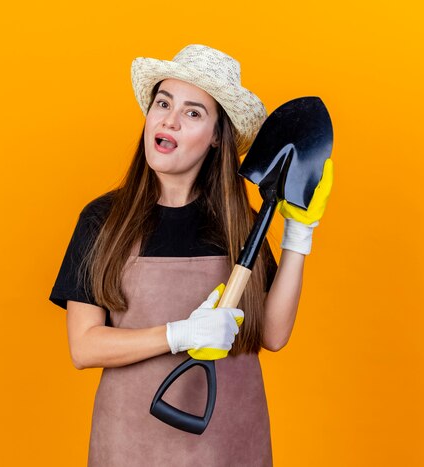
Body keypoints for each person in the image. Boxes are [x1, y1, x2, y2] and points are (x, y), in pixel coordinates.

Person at [49, 44, 333, 466]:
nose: (169, 119)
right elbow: (84, 346)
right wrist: (179, 334)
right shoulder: (103, 220)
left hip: (229, 442)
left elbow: (272, 334)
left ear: (217, 137)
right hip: (129, 444)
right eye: (163, 103)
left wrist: (298, 235)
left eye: (193, 112)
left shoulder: (240, 226)